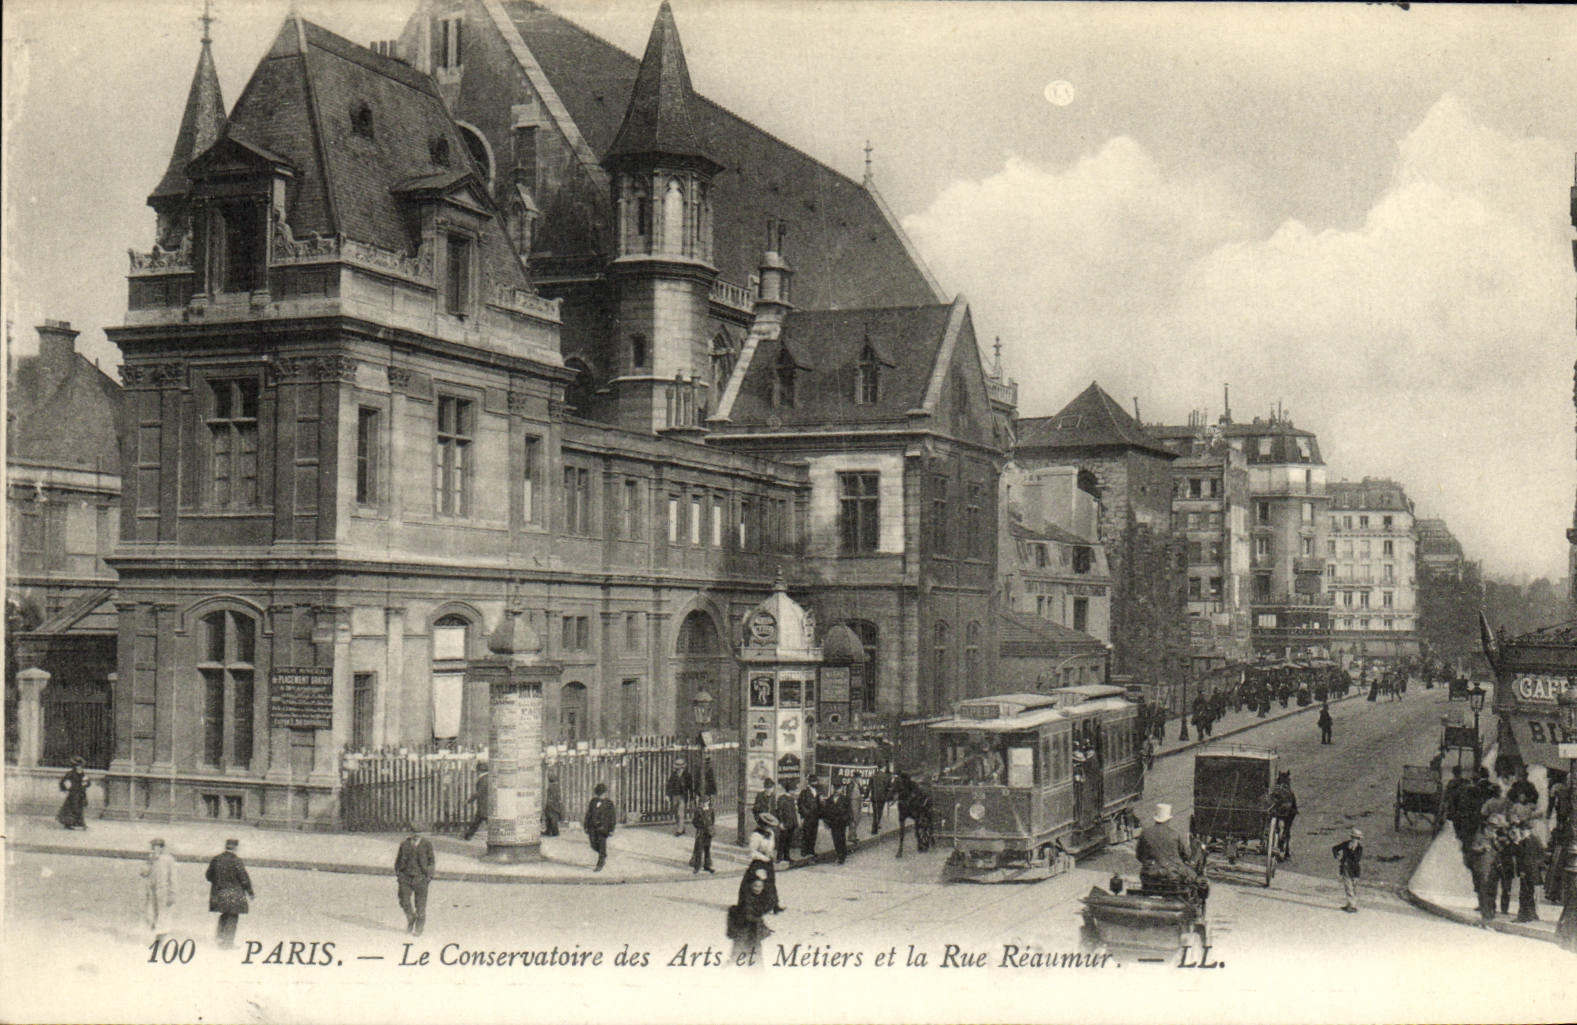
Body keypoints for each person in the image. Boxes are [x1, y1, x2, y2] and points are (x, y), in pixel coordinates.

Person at [1135, 803, 1204, 906]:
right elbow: (1185, 855)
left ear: (1156, 819)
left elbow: (1139, 855)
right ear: (1168, 820)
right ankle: (1196, 907)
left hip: (1148, 875)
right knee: (1195, 878)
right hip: (1172, 876)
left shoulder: (1145, 833)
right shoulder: (1175, 834)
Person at [205, 838, 253, 949]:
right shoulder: (236, 860)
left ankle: (220, 937)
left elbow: (208, 875)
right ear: (236, 848)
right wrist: (250, 892)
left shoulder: (216, 859)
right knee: (232, 916)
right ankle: (227, 943)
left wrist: (218, 882)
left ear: (226, 846)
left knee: (225, 913)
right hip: (234, 893)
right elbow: (244, 878)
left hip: (220, 892)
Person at [394, 824, 436, 936]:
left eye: (419, 832)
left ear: (423, 833)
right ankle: (410, 918)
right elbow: (398, 861)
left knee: (420, 905)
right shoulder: (404, 844)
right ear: (410, 832)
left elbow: (431, 861)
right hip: (405, 877)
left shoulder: (427, 845)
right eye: (414, 832)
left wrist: (428, 876)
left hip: (421, 878)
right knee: (403, 900)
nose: (416, 834)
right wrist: (399, 874)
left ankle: (419, 928)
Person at [727, 870, 774, 963]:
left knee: (753, 956)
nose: (757, 888)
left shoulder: (758, 898)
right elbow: (749, 916)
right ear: (750, 886)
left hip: (753, 933)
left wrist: (765, 928)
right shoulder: (747, 899)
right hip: (745, 932)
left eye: (760, 886)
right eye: (755, 886)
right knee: (740, 955)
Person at [742, 812, 784, 913]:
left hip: (768, 861)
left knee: (770, 883)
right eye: (768, 826)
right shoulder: (756, 835)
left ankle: (774, 905)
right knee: (756, 885)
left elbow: (771, 846)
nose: (770, 828)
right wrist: (764, 857)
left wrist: (770, 854)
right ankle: (751, 907)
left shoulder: (770, 833)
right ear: (762, 825)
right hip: (758, 863)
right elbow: (752, 851)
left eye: (771, 826)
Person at [142, 838, 177, 942]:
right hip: (152, 891)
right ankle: (155, 934)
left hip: (164, 891)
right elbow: (143, 873)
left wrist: (172, 893)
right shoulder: (150, 859)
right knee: (150, 914)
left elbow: (173, 878)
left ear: (162, 847)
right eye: (152, 847)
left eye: (155, 846)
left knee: (163, 914)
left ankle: (161, 938)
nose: (153, 849)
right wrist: (149, 862)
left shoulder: (169, 859)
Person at [1512, 822, 1546, 923]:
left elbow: (1525, 857)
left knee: (1524, 893)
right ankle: (1532, 915)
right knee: (1529, 893)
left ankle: (1523, 916)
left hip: (1528, 872)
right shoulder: (1531, 840)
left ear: (1527, 830)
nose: (1522, 832)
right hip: (1531, 871)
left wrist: (1524, 870)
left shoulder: (1529, 841)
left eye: (1523, 830)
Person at [584, 782, 617, 872]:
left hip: (604, 828)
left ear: (605, 793)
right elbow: (588, 814)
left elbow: (612, 817)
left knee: (602, 845)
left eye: (602, 794)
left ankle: (600, 862)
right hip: (592, 827)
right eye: (599, 794)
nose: (600, 796)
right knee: (593, 844)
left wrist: (611, 829)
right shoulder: (593, 802)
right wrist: (586, 826)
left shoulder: (609, 803)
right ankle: (603, 854)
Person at [1331, 827, 1363, 913]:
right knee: (1348, 887)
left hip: (1354, 870)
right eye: (1353, 837)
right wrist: (1337, 855)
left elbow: (1356, 860)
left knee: (1353, 887)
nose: (1355, 840)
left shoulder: (1359, 848)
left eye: (1357, 838)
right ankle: (1351, 905)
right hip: (1345, 868)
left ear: (1359, 839)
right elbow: (1334, 848)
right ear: (1351, 837)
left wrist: (1351, 850)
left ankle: (1351, 905)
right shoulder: (1345, 844)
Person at [1269, 771, 1298, 860]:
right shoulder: (1289, 792)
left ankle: (1278, 841)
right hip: (1289, 811)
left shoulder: (1275, 791)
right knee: (1287, 828)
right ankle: (1285, 846)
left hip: (1276, 810)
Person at [823, 781, 854, 864]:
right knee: (836, 839)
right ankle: (839, 854)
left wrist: (849, 821)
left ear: (841, 789)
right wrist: (826, 822)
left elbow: (849, 811)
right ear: (833, 789)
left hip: (841, 822)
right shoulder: (829, 800)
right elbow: (825, 812)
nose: (836, 790)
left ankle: (842, 856)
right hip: (833, 823)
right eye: (835, 788)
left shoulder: (845, 799)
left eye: (838, 789)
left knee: (841, 838)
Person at [56, 756, 90, 830]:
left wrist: (86, 782)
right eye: (77, 766)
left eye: (80, 766)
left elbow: (88, 783)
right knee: (72, 808)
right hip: (73, 793)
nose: (79, 768)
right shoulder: (70, 773)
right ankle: (69, 823)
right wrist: (65, 789)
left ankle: (79, 823)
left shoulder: (83, 774)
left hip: (81, 793)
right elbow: (62, 782)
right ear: (74, 766)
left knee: (80, 808)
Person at [773, 783, 800, 864]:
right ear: (790, 790)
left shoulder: (791, 799)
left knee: (788, 841)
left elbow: (794, 812)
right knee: (782, 841)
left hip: (791, 823)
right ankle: (779, 857)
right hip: (784, 823)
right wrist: (780, 823)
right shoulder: (782, 798)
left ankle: (786, 856)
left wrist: (796, 822)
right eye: (794, 790)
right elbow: (779, 812)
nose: (795, 791)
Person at [462, 762, 489, 841]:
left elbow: (479, 792)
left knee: (479, 820)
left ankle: (468, 836)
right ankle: (468, 836)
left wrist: (469, 801)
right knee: (478, 821)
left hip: (483, 804)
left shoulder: (483, 779)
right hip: (485, 804)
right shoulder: (487, 778)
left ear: (480, 770)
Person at [797, 779, 822, 860]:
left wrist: (820, 812)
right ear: (810, 783)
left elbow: (819, 803)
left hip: (815, 816)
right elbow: (800, 804)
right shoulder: (804, 792)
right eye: (813, 782)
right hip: (808, 816)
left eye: (816, 782)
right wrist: (805, 813)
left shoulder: (817, 792)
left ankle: (811, 850)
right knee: (806, 833)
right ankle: (804, 851)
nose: (815, 783)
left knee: (813, 833)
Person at [665, 763, 693, 837]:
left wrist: (692, 797)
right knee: (675, 812)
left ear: (683, 768)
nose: (679, 769)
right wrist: (667, 795)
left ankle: (679, 830)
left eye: (680, 768)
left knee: (680, 813)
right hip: (674, 796)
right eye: (677, 768)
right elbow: (669, 785)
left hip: (682, 796)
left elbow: (690, 787)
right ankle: (681, 827)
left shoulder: (687, 775)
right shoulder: (673, 775)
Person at [690, 796, 716, 874]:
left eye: (706, 802)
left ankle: (707, 865)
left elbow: (712, 820)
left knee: (707, 849)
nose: (704, 804)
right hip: (701, 832)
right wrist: (699, 827)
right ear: (700, 803)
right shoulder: (698, 811)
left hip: (708, 832)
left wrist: (710, 827)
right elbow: (694, 821)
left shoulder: (711, 810)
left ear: (708, 802)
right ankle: (697, 867)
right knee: (699, 849)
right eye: (702, 803)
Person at [868, 763, 892, 835]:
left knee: (875, 812)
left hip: (874, 797)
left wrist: (865, 796)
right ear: (884, 767)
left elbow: (869, 787)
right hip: (882, 797)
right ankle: (875, 828)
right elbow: (889, 788)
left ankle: (876, 826)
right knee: (879, 812)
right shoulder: (887, 777)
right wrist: (889, 797)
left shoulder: (873, 776)